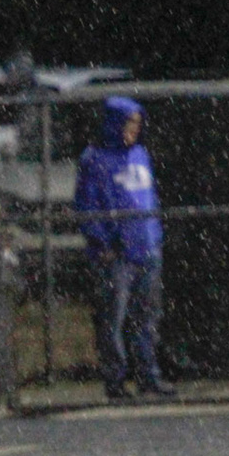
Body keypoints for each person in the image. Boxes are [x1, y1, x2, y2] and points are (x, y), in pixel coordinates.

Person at [76, 96, 173, 401]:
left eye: (137, 124)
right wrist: (102, 242)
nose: (134, 129)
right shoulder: (95, 159)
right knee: (113, 320)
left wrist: (154, 235)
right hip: (116, 254)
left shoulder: (140, 154)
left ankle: (148, 376)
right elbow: (87, 204)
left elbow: (149, 198)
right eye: (129, 123)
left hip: (147, 248)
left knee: (147, 318)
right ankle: (115, 380)